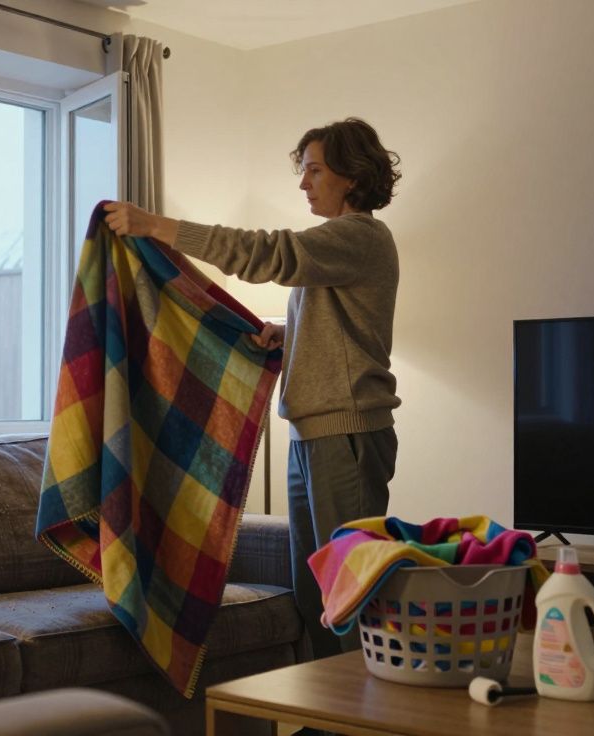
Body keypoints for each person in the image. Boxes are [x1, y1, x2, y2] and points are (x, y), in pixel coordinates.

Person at [104, 117, 401, 662]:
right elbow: (349, 326)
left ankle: (361, 720)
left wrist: (158, 226)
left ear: (352, 177)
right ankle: (324, 718)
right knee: (316, 598)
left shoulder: (359, 236)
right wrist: (294, 336)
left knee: (351, 600)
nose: (304, 182)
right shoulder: (339, 248)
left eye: (314, 170)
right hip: (314, 433)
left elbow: (267, 254)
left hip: (348, 434)